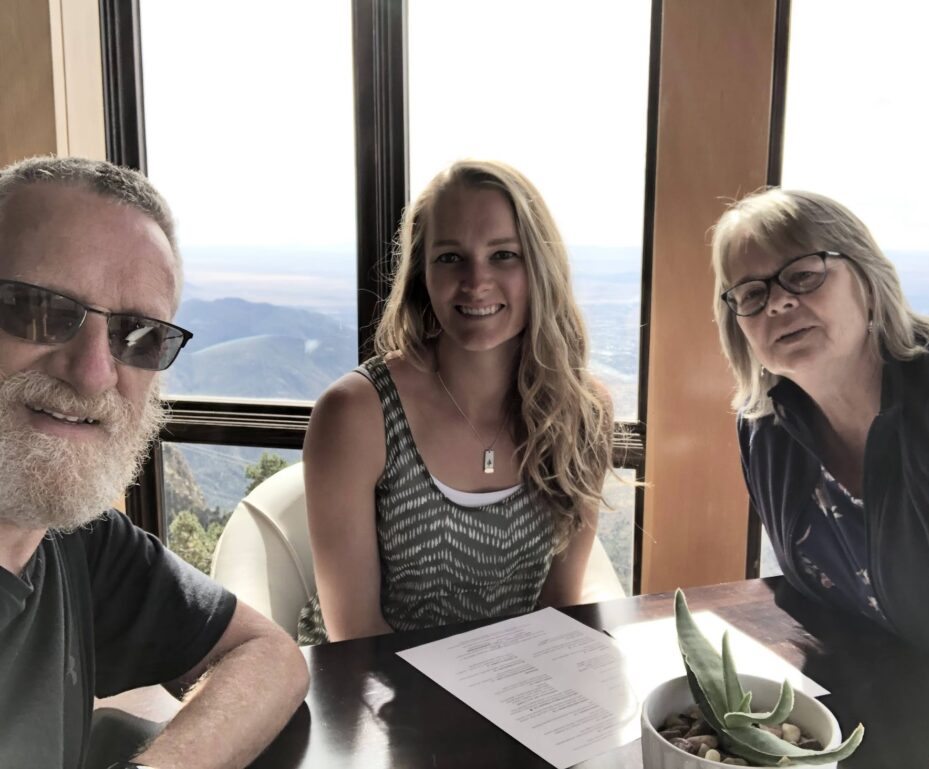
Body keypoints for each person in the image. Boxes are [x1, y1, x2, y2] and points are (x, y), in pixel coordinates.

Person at [0, 156, 309, 769]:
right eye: (38, 311)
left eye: (137, 335)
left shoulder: (71, 542)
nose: (93, 374)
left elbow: (268, 656)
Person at [710, 187, 929, 681]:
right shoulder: (765, 429)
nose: (777, 303)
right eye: (751, 293)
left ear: (869, 279)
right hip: (882, 708)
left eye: (804, 274)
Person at [302, 159, 613, 643]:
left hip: (518, 685)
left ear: (540, 267)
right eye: (450, 257)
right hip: (375, 690)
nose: (476, 281)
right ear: (421, 273)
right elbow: (356, 636)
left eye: (504, 254)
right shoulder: (356, 414)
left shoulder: (582, 411)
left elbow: (560, 604)